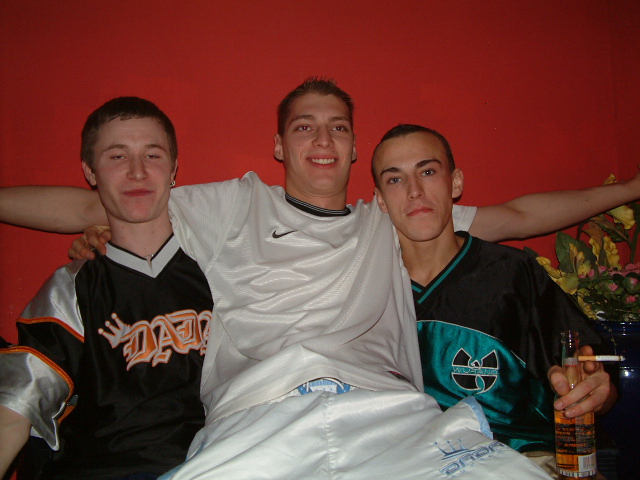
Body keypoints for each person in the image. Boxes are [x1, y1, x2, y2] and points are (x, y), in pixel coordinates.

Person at [0, 78, 637, 479]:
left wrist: (630, 189)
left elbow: (518, 217)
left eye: (338, 126)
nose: (322, 138)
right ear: (280, 146)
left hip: (382, 411)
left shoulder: (387, 216)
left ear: (355, 148)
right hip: (258, 413)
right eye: (304, 126)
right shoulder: (233, 205)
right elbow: (101, 205)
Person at [371, 124, 617, 476]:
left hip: (525, 459)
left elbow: (593, 379)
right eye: (395, 179)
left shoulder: (512, 274)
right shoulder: (366, 290)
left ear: (455, 182)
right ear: (380, 199)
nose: (414, 191)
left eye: (428, 172)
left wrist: (596, 391)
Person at [0, 97, 214, 480]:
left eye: (152, 155)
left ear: (173, 169)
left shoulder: (221, 268)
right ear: (90, 171)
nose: (137, 171)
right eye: (117, 157)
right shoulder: (73, 287)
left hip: (214, 464)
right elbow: (15, 408)